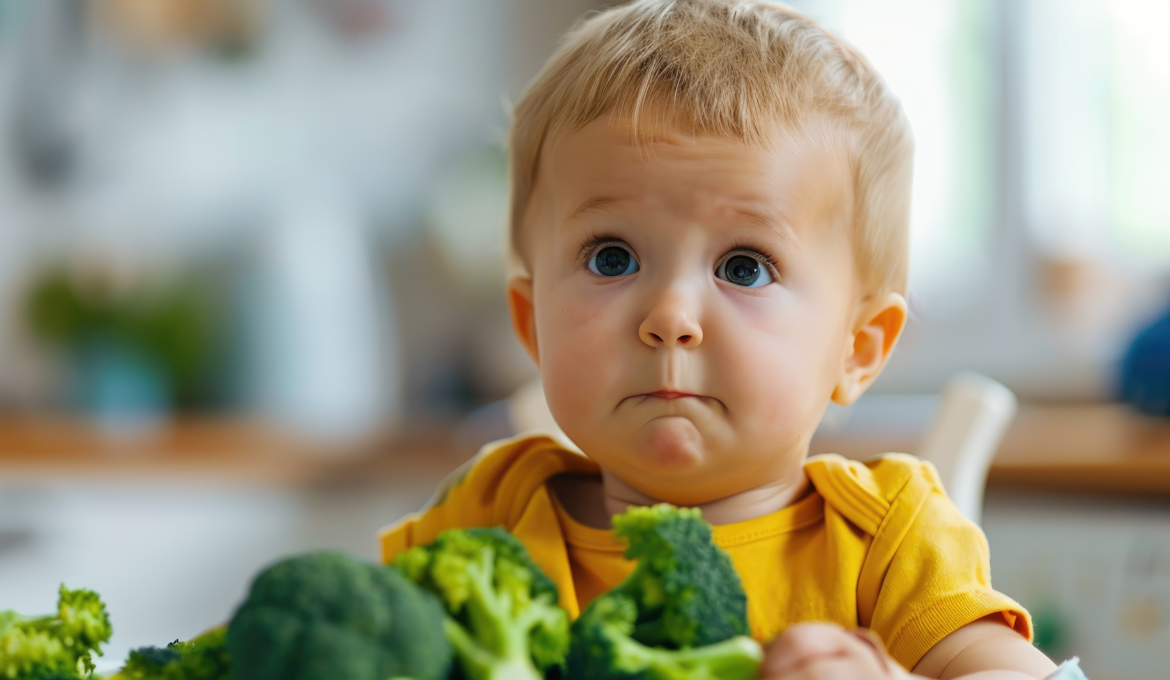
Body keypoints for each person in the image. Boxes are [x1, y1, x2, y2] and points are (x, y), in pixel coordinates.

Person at [381, 1, 1059, 677]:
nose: (671, 315)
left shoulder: (887, 537)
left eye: (744, 267)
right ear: (533, 325)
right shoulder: (489, 514)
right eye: (611, 258)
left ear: (858, 348)